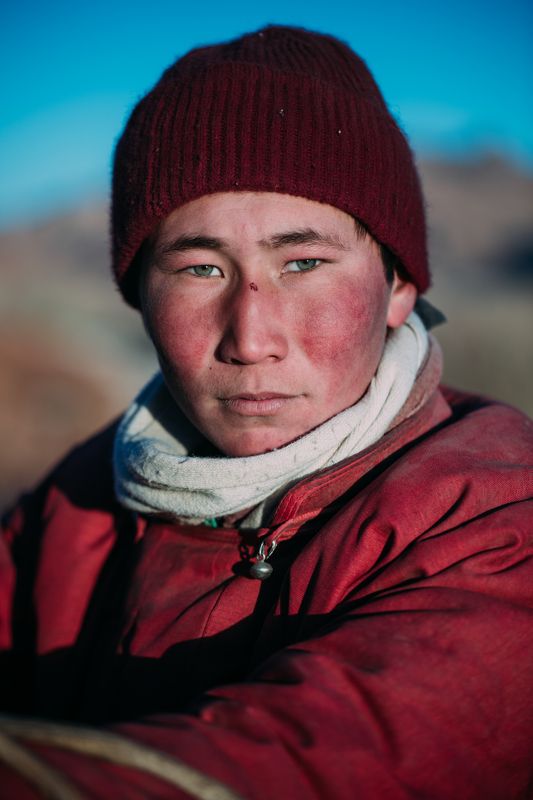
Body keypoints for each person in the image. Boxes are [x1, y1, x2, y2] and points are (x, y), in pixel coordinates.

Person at [1, 24, 532, 800]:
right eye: (199, 267)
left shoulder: (492, 513)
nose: (249, 339)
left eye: (303, 264)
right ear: (139, 300)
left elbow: (325, 766)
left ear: (397, 288)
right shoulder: (79, 496)